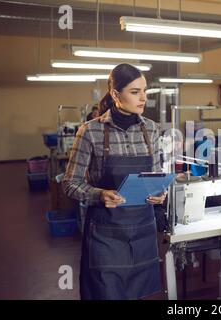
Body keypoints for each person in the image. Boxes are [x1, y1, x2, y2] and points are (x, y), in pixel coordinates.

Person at [62, 63, 166, 300]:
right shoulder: (90, 131)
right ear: (116, 95)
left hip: (142, 232)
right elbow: (70, 183)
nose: (143, 98)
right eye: (135, 91)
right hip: (105, 236)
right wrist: (99, 194)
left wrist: (159, 193)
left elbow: (156, 175)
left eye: (144, 91)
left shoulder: (151, 130)